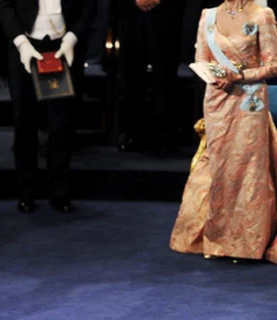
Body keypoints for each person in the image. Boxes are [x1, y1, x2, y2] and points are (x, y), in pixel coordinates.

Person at [170, 1, 277, 263]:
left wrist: (238, 76)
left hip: (250, 99)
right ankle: (219, 239)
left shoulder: (263, 15)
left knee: (248, 167)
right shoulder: (207, 15)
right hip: (217, 98)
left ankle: (246, 242)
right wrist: (214, 75)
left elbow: (273, 65)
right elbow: (200, 59)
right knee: (220, 165)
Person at [0, 0, 96, 213]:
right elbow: (4, 5)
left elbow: (90, 6)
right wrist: (20, 42)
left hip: (63, 44)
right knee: (24, 122)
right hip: (25, 44)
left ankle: (60, 192)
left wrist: (72, 38)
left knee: (61, 124)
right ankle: (26, 192)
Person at [116, 0, 183, 153]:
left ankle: (166, 135)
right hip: (130, 11)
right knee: (130, 73)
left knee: (164, 74)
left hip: (166, 12)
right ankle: (133, 132)